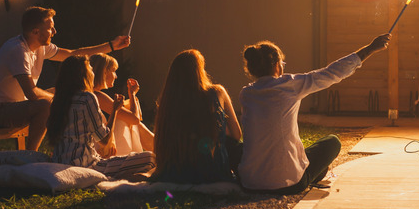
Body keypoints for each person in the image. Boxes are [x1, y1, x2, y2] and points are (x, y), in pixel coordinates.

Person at [238, 34, 391, 194]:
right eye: (282, 63)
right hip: (289, 183)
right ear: (277, 66)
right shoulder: (290, 85)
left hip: (249, 183)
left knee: (238, 146)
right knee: (332, 142)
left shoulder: (246, 93)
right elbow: (333, 72)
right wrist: (370, 48)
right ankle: (314, 173)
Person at [0, 6, 130, 151]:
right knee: (47, 104)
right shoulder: (18, 51)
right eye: (50, 28)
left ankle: (72, 146)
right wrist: (60, 98)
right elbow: (31, 93)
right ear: (36, 31)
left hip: (17, 106)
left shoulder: (41, 47)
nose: (54, 31)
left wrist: (111, 46)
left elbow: (73, 54)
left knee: (63, 92)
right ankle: (31, 153)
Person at [46, 55, 155, 180]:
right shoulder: (87, 97)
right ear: (84, 74)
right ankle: (162, 154)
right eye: (90, 70)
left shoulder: (59, 99)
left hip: (62, 161)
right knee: (151, 158)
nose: (93, 73)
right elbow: (104, 140)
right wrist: (115, 110)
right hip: (88, 165)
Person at [149, 49, 242, 184]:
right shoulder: (217, 92)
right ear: (200, 71)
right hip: (213, 172)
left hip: (174, 173)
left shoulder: (168, 102)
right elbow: (237, 135)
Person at [89, 53, 154, 154]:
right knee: (125, 119)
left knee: (124, 117)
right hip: (101, 150)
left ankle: (160, 147)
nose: (116, 76)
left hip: (100, 145)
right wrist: (132, 94)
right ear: (104, 72)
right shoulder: (96, 96)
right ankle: (161, 148)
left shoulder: (91, 94)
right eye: (114, 71)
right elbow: (135, 119)